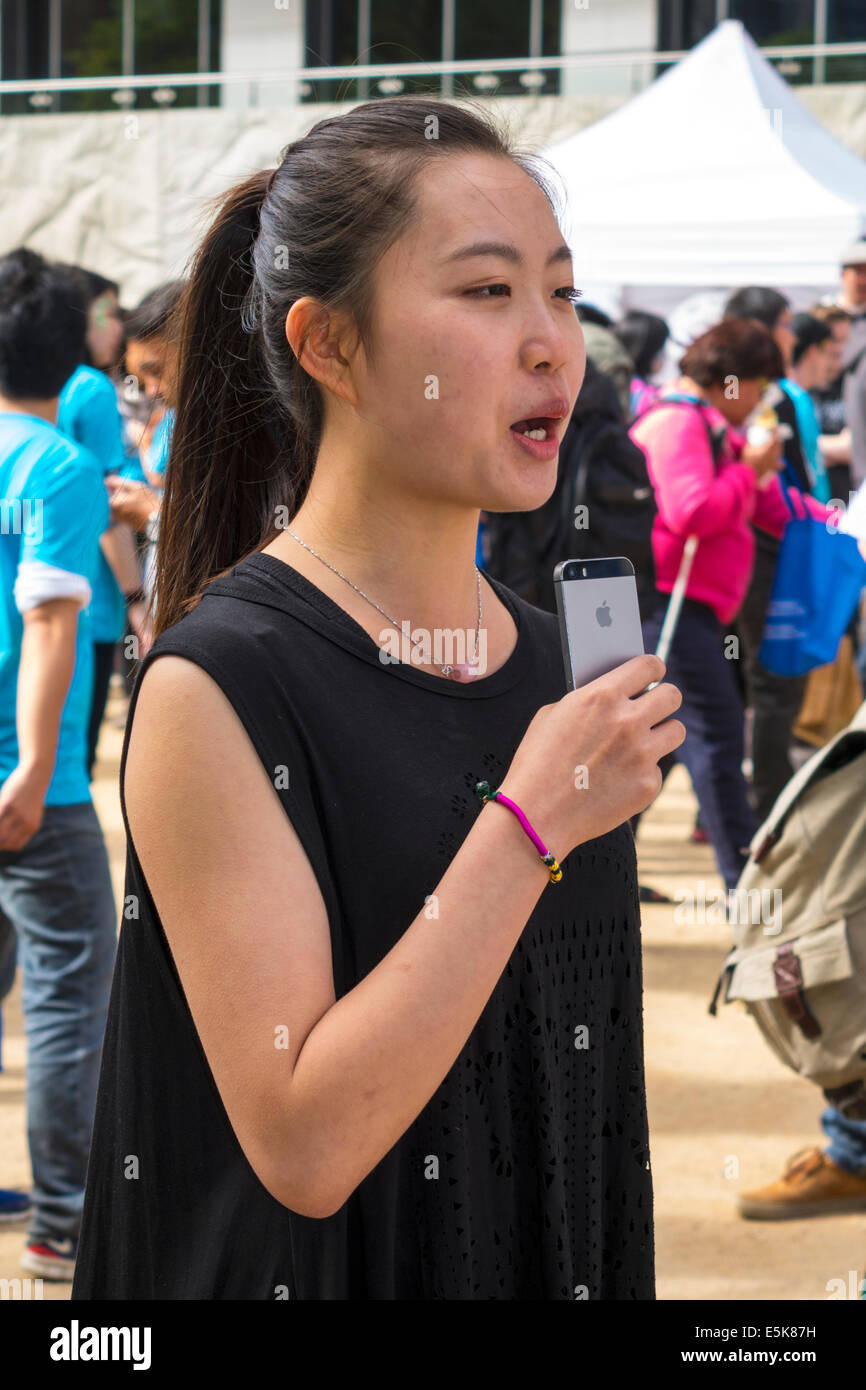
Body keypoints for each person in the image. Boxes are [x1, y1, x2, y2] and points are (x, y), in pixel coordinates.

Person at [71, 96, 686, 1301]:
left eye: (559, 292)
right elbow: (304, 1141)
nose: (551, 342)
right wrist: (527, 825)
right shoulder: (224, 680)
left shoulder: (561, 668)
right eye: (485, 291)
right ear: (330, 346)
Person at [0, 248, 117, 1278]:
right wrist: (36, 769)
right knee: (72, 995)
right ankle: (67, 1218)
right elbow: (46, 623)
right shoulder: (57, 468)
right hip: (34, 788)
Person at [629, 319, 817, 892]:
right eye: (759, 386)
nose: (762, 401)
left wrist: (835, 524)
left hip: (691, 612)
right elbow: (692, 512)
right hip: (671, 608)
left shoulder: (710, 427)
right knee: (717, 737)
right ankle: (746, 887)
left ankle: (600, 869)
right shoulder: (679, 424)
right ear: (734, 382)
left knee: (657, 746)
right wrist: (748, 471)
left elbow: (769, 509)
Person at [723, 287, 821, 826]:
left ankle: (761, 801)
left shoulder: (770, 396)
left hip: (779, 545)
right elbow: (759, 486)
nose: (793, 333)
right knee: (770, 681)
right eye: (786, 323)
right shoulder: (759, 398)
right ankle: (768, 808)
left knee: (756, 684)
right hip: (768, 555)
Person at [55, 265, 149, 774]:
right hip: (90, 606)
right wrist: (137, 600)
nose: (119, 327)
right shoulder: (90, 389)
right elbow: (111, 505)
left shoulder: (35, 392)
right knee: (72, 762)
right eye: (109, 314)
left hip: (29, 604)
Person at [781, 312, 837, 504]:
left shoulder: (790, 395)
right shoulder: (795, 398)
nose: (831, 364)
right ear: (813, 351)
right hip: (806, 515)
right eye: (829, 353)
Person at [612, 310, 669, 421]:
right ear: (649, 352)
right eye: (661, 349)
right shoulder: (644, 395)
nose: (664, 355)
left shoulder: (619, 381)